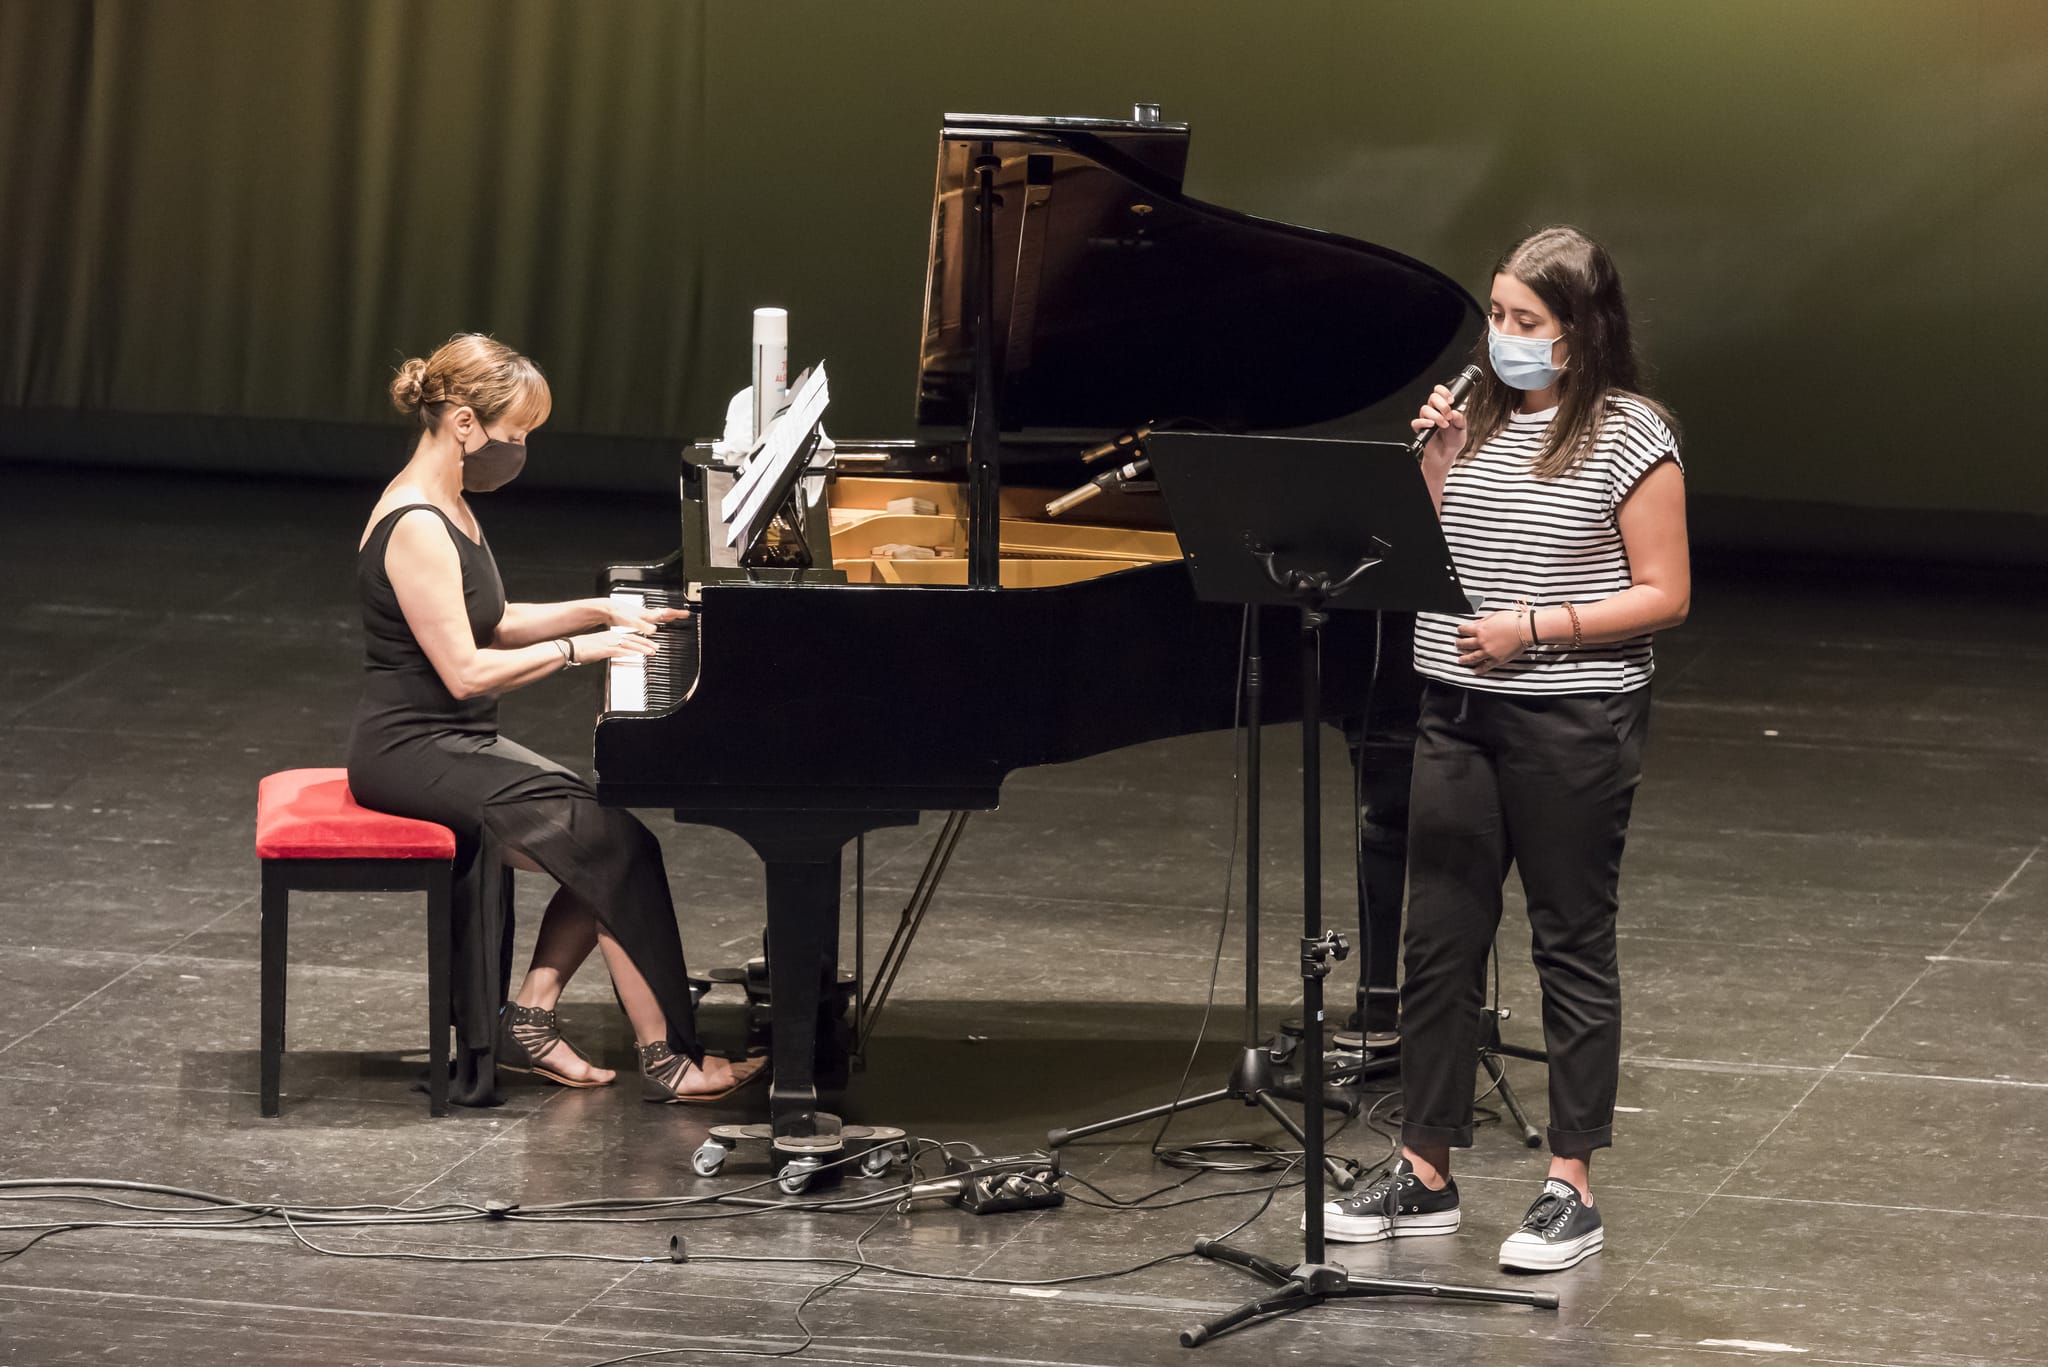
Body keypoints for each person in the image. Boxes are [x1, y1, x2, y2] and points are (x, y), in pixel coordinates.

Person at [1316, 227, 1688, 1272]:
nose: (1501, 336)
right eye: (1494, 314)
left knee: (1569, 938)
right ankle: (1423, 1165)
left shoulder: (1629, 433)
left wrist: (1535, 627)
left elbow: (1664, 592)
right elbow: (1435, 555)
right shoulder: (1473, 419)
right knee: (1438, 938)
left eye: (1525, 320)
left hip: (1572, 716)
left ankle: (1571, 1183)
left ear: (1578, 332)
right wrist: (1435, 463)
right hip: (1455, 706)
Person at [346, 333, 763, 1106]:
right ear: (464, 423)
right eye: (517, 433)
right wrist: (580, 649)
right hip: (411, 752)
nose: (521, 450)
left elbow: (497, 620)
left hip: (454, 739)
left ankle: (531, 1018)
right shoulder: (416, 524)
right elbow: (466, 669)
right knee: (612, 844)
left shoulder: (451, 504)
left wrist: (602, 608)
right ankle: (667, 1058)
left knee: (610, 837)